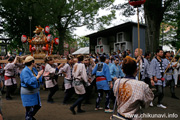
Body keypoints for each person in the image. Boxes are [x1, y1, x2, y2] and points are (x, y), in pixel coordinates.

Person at [20, 56, 44, 120]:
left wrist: (41, 76)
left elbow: (38, 79)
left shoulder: (33, 69)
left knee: (38, 105)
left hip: (34, 91)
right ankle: (28, 117)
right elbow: (28, 82)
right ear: (32, 63)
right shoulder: (25, 71)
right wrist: (38, 76)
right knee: (29, 108)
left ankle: (29, 117)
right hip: (27, 92)